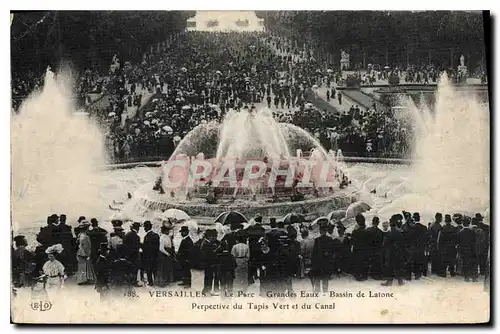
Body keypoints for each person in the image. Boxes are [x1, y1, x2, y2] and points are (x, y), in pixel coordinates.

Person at [310, 224, 336, 293]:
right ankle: (325, 293)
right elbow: (332, 252)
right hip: (326, 263)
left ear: (320, 231)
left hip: (318, 263)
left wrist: (313, 263)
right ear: (326, 231)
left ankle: (317, 292)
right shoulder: (330, 240)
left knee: (317, 279)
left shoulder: (317, 240)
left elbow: (314, 253)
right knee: (325, 279)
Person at [381, 219, 405, 286]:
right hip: (398, 251)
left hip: (391, 252)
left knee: (390, 267)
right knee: (398, 266)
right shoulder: (399, 233)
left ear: (390, 225)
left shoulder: (389, 233)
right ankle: (400, 281)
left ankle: (389, 281)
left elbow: (385, 244)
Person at [76, 220, 96, 285]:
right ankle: (87, 279)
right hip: (84, 252)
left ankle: (82, 279)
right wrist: (88, 254)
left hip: (80, 252)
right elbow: (87, 247)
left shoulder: (80, 235)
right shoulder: (85, 237)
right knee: (86, 265)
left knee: (82, 266)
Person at [201, 229, 220, 296]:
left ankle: (207, 290)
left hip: (209, 263)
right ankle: (206, 291)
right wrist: (217, 249)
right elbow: (210, 254)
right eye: (215, 237)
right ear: (210, 236)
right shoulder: (206, 244)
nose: (215, 238)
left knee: (209, 277)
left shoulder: (206, 242)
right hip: (209, 263)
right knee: (209, 277)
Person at [351, 214, 370, 281]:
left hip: (357, 250)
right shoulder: (367, 231)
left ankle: (358, 276)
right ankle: (364, 275)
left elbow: (352, 241)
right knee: (364, 262)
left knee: (358, 263)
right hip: (365, 250)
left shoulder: (355, 232)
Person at [142, 221, 160, 286]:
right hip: (155, 255)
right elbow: (158, 246)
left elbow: (145, 248)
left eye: (144, 227)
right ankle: (156, 281)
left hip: (148, 256)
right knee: (155, 269)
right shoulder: (156, 235)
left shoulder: (146, 236)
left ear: (146, 228)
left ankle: (150, 282)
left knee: (149, 270)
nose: (144, 229)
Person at [412, 213, 428, 279]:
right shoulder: (424, 227)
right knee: (422, 259)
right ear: (419, 218)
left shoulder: (413, 227)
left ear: (413, 219)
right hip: (422, 247)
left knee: (416, 260)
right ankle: (423, 273)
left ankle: (417, 274)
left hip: (415, 247)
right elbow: (427, 238)